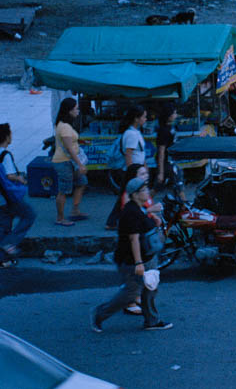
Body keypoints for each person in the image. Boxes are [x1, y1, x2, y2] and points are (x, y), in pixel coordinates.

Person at [91, 176, 170, 332]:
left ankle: (152, 321)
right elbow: (133, 239)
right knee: (130, 293)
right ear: (135, 194)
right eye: (144, 190)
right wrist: (138, 263)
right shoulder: (130, 212)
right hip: (132, 260)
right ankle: (100, 313)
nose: (147, 192)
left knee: (150, 289)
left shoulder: (141, 208)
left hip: (148, 256)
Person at [0, 124, 35, 265]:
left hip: (1, 200)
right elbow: (10, 175)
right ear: (6, 136)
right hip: (8, 197)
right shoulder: (5, 155)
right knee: (29, 215)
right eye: (10, 134)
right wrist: (20, 179)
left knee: (4, 226)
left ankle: (3, 259)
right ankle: (9, 243)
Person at [51, 97, 87, 227]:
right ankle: (60, 218)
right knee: (64, 190)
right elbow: (69, 148)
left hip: (70, 162)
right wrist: (80, 164)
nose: (78, 111)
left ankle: (75, 210)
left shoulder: (64, 125)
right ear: (69, 110)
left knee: (81, 182)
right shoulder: (65, 127)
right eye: (76, 108)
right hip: (64, 162)